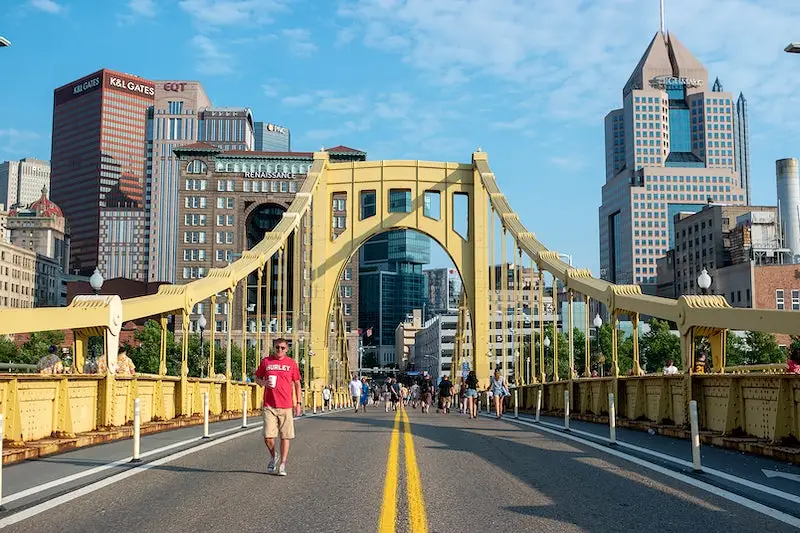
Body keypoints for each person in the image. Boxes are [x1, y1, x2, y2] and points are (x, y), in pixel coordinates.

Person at [254, 337, 302, 476]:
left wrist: (298, 403)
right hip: (269, 404)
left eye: (282, 348)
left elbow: (298, 384)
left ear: (287, 349)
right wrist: (263, 383)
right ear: (273, 348)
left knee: (285, 437)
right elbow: (257, 378)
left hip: (286, 405)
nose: (279, 350)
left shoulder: (291, 364)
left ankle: (282, 464)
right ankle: (274, 455)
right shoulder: (266, 362)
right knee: (268, 437)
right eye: (277, 347)